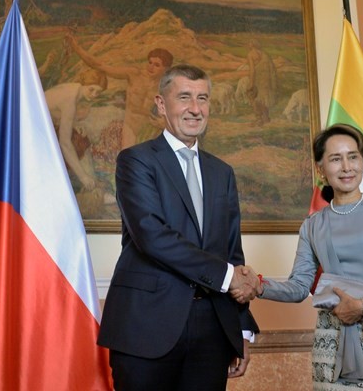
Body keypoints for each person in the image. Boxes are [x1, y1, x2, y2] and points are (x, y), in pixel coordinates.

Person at [98, 64, 260, 391]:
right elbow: (151, 235)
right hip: (146, 327)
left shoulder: (222, 172)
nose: (195, 109)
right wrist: (230, 278)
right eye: (184, 97)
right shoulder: (136, 161)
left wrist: (240, 327)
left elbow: (232, 251)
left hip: (212, 332)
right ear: (161, 104)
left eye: (203, 98)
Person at [238, 123, 363, 389]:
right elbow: (300, 287)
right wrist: (259, 285)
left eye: (353, 156)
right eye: (336, 159)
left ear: (362, 162)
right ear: (321, 170)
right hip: (332, 337)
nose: (347, 167)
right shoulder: (313, 225)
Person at [67, 34, 173, 149]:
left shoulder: (167, 87)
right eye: (150, 62)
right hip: (131, 126)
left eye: (157, 65)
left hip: (150, 129)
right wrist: (76, 47)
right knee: (128, 159)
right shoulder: (134, 75)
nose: (151, 67)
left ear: (166, 69)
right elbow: (99, 65)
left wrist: (164, 124)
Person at [44, 69, 107, 193]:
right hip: (31, 131)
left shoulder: (72, 88)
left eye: (98, 92)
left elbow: (53, 111)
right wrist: (83, 177)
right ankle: (89, 184)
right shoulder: (70, 100)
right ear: (84, 84)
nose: (94, 94)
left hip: (42, 126)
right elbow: (65, 143)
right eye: (91, 89)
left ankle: (90, 185)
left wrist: (74, 124)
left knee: (79, 138)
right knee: (77, 143)